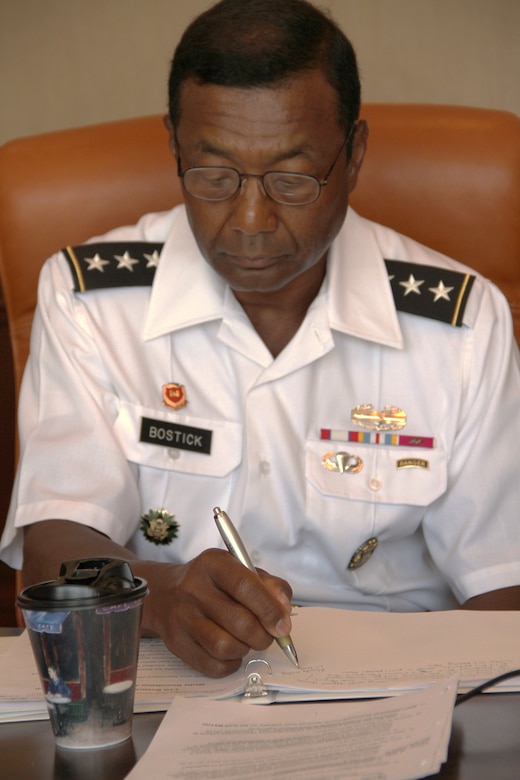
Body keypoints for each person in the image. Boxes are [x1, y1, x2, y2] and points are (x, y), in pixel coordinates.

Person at [1, 0, 519, 678]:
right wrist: (158, 595)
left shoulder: (460, 321)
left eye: (291, 178)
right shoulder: (92, 301)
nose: (249, 219)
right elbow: (52, 551)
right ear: (175, 146)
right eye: (213, 175)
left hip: (393, 685)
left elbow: (503, 585)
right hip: (170, 681)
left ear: (354, 154)